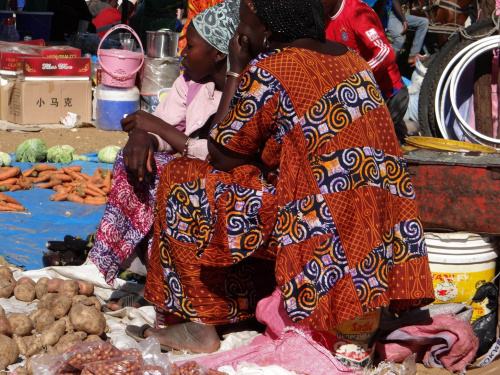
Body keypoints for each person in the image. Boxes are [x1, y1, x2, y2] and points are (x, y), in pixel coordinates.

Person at [125, 0, 435, 367]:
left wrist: (238, 70)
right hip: (381, 230)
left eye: (246, 26)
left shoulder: (273, 70)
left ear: (267, 31)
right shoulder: (352, 61)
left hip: (324, 232)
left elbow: (222, 153)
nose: (241, 35)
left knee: (185, 178)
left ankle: (200, 323)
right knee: (253, 182)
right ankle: (243, 305)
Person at [89, 0, 240, 310]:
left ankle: (167, 287)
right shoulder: (189, 82)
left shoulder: (245, 90)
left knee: (172, 176)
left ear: (218, 54)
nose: (183, 53)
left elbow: (218, 153)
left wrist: (158, 129)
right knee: (135, 161)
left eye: (191, 47)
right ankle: (112, 265)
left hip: (228, 183)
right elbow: (164, 125)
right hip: (192, 169)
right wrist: (144, 136)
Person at [322, 0, 410, 140]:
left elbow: (384, 52)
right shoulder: (322, 17)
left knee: (370, 142)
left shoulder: (357, 12)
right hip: (356, 97)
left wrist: (355, 77)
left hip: (387, 94)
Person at [386, 0, 429, 65]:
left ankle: (413, 56)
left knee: (424, 22)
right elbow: (394, 2)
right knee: (399, 39)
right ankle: (389, 67)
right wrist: (404, 21)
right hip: (391, 14)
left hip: (400, 15)